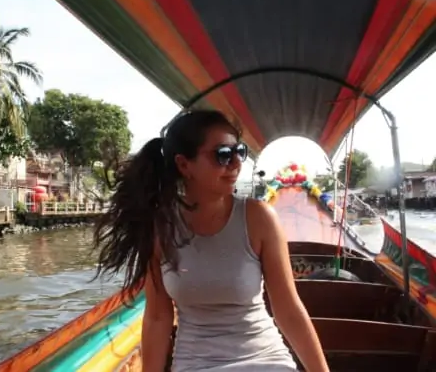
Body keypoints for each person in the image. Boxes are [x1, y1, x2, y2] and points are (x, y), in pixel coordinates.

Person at [93, 110, 329, 372]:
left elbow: (288, 309)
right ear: (184, 165)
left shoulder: (258, 218)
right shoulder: (161, 228)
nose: (235, 163)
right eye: (222, 155)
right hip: (195, 364)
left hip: (265, 360)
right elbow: (159, 317)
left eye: (239, 152)